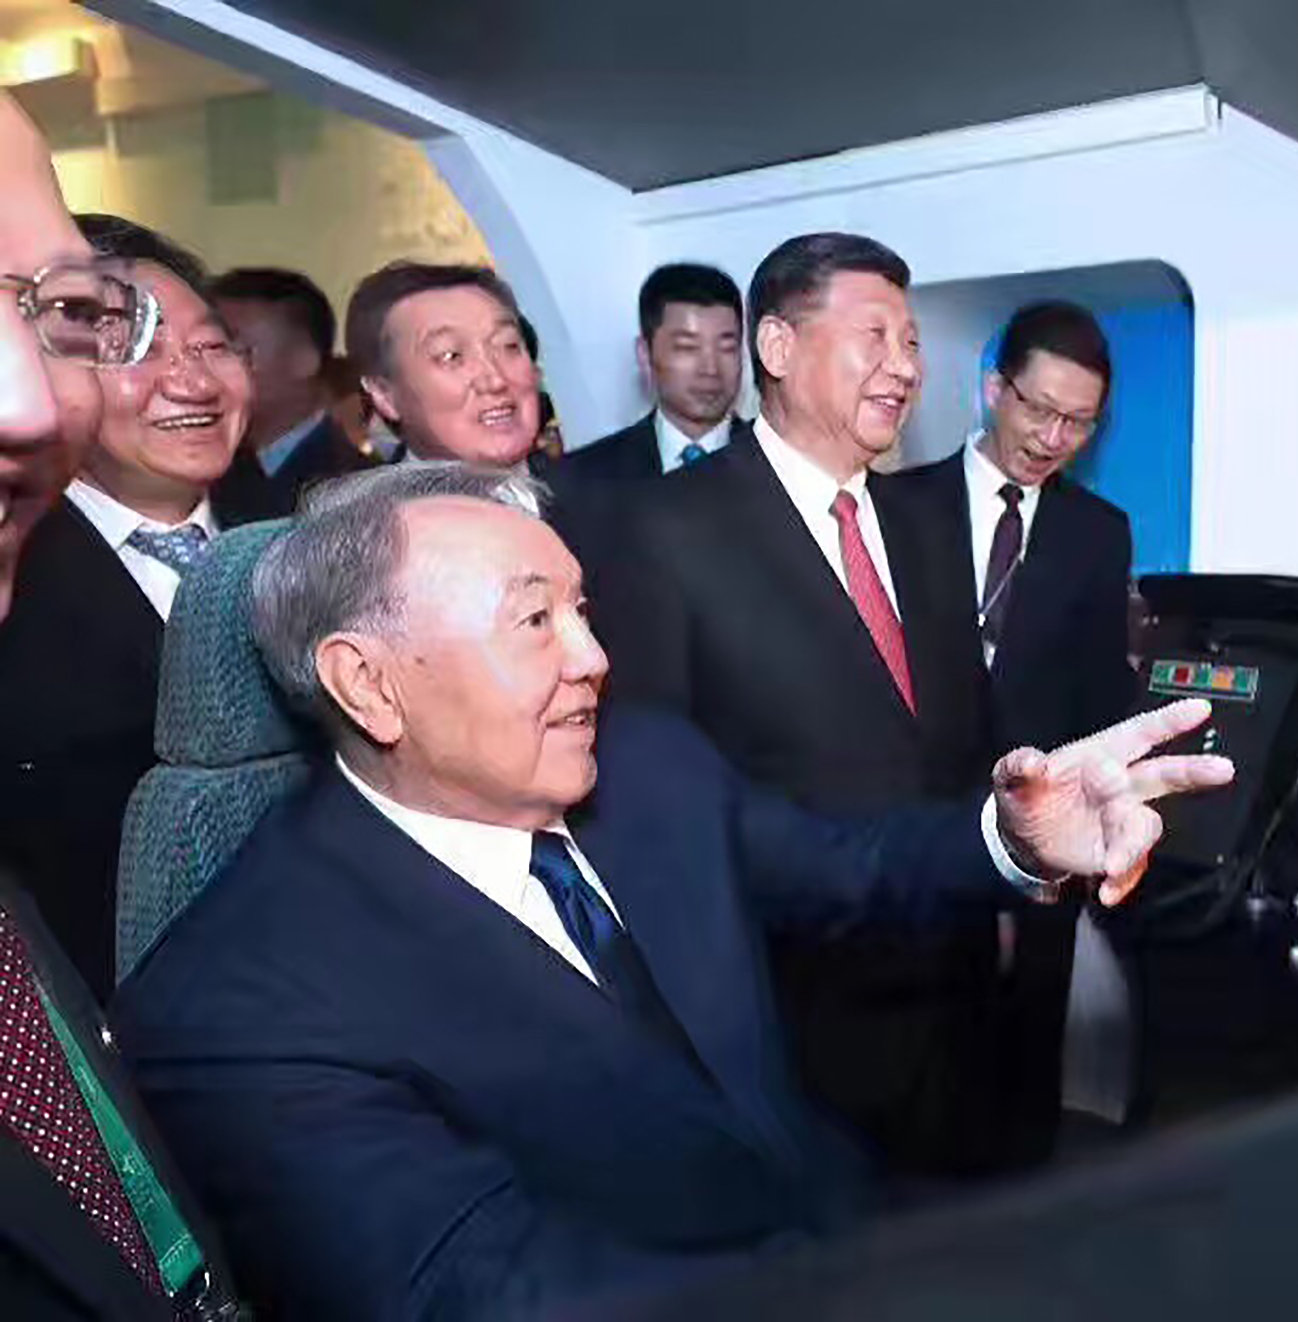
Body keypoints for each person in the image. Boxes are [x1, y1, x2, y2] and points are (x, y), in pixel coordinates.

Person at [112, 461, 1232, 1318]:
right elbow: (494, 1291)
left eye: (582, 609)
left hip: (853, 1218)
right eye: (535, 620)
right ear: (367, 683)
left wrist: (1018, 839)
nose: (593, 656)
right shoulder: (235, 1008)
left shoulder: (649, 767)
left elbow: (847, 865)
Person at [579, 233, 1010, 1174]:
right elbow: (656, 798)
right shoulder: (661, 529)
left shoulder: (930, 521)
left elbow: (958, 736)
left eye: (912, 342)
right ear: (776, 347)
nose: (905, 367)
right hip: (790, 1005)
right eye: (875, 336)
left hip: (955, 985)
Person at [0, 89, 239, 1321]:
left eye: (53, 312)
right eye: (134, 339)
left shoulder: (298, 546)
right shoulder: (37, 599)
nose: (28, 402)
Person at [887, 300, 1138, 1165]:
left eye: (1078, 422)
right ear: (995, 388)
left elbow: (1101, 693)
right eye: (1039, 409)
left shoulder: (1099, 534)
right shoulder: (893, 507)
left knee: (1029, 1042)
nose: (1052, 437)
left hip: (1044, 835)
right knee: (923, 1046)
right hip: (916, 820)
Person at [0, 215, 260, 997]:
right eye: (135, 348)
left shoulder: (312, 535)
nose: (193, 383)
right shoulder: (16, 579)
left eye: (211, 346)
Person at [343, 260, 542, 469]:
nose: (495, 380)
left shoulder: (565, 481)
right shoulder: (375, 491)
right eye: (451, 356)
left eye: (509, 345)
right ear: (385, 395)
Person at [210, 267, 374, 516]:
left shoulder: (355, 488)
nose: (208, 368)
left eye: (233, 348)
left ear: (304, 360)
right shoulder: (211, 465)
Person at [573, 262, 753, 480]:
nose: (710, 369)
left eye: (727, 348)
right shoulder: (582, 477)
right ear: (644, 354)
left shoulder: (779, 465)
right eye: (688, 347)